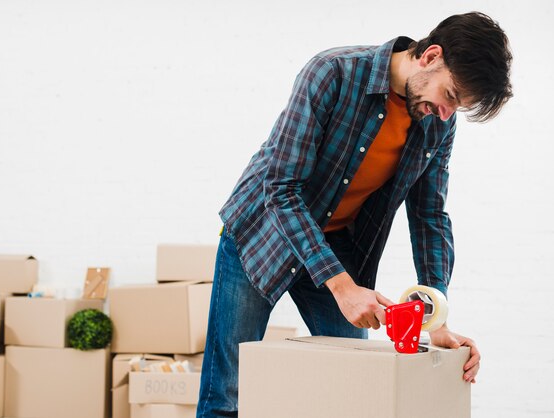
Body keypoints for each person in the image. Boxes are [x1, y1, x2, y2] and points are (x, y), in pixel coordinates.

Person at [197, 11, 512, 418]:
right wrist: (343, 288)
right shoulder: (333, 72)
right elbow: (280, 189)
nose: (447, 113)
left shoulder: (437, 122)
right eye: (450, 96)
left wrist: (436, 319)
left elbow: (430, 216)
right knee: (228, 395)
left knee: (358, 391)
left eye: (458, 109)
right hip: (261, 233)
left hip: (336, 243)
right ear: (431, 56)